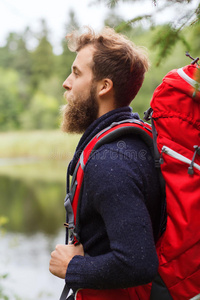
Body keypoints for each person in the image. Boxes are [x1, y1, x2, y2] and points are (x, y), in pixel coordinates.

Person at [49, 27, 163, 300]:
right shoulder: (129, 139)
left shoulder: (110, 162)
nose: (67, 82)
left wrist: (72, 267)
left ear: (104, 87)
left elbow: (138, 262)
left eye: (76, 73)